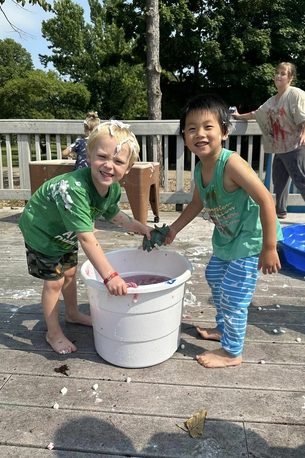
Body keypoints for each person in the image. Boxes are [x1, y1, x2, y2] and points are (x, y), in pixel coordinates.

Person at [164, 94, 283, 368]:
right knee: (214, 276)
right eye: (191, 128)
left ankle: (233, 351)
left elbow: (266, 199)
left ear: (225, 132)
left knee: (233, 294)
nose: (199, 134)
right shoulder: (199, 168)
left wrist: (269, 247)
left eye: (208, 127)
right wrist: (173, 229)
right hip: (228, 237)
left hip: (252, 238)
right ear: (184, 136)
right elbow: (196, 203)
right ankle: (223, 329)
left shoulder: (231, 164)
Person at [19, 120, 153, 355]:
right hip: (41, 230)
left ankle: (72, 314)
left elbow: (113, 214)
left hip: (64, 232)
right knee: (54, 281)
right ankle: (53, 332)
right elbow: (87, 238)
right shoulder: (75, 189)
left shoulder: (111, 188)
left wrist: (138, 226)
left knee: (69, 273)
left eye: (118, 161)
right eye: (102, 156)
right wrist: (110, 276)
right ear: (89, 156)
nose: (109, 166)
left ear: (128, 167)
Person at [232, 62, 305, 223]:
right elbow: (257, 113)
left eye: (283, 73)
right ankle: (280, 211)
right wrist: (239, 116)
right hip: (281, 146)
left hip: (298, 143)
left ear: (291, 77)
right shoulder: (273, 100)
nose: (278, 76)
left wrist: (304, 135)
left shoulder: (296, 94)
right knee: (279, 179)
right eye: (277, 73)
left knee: (301, 178)